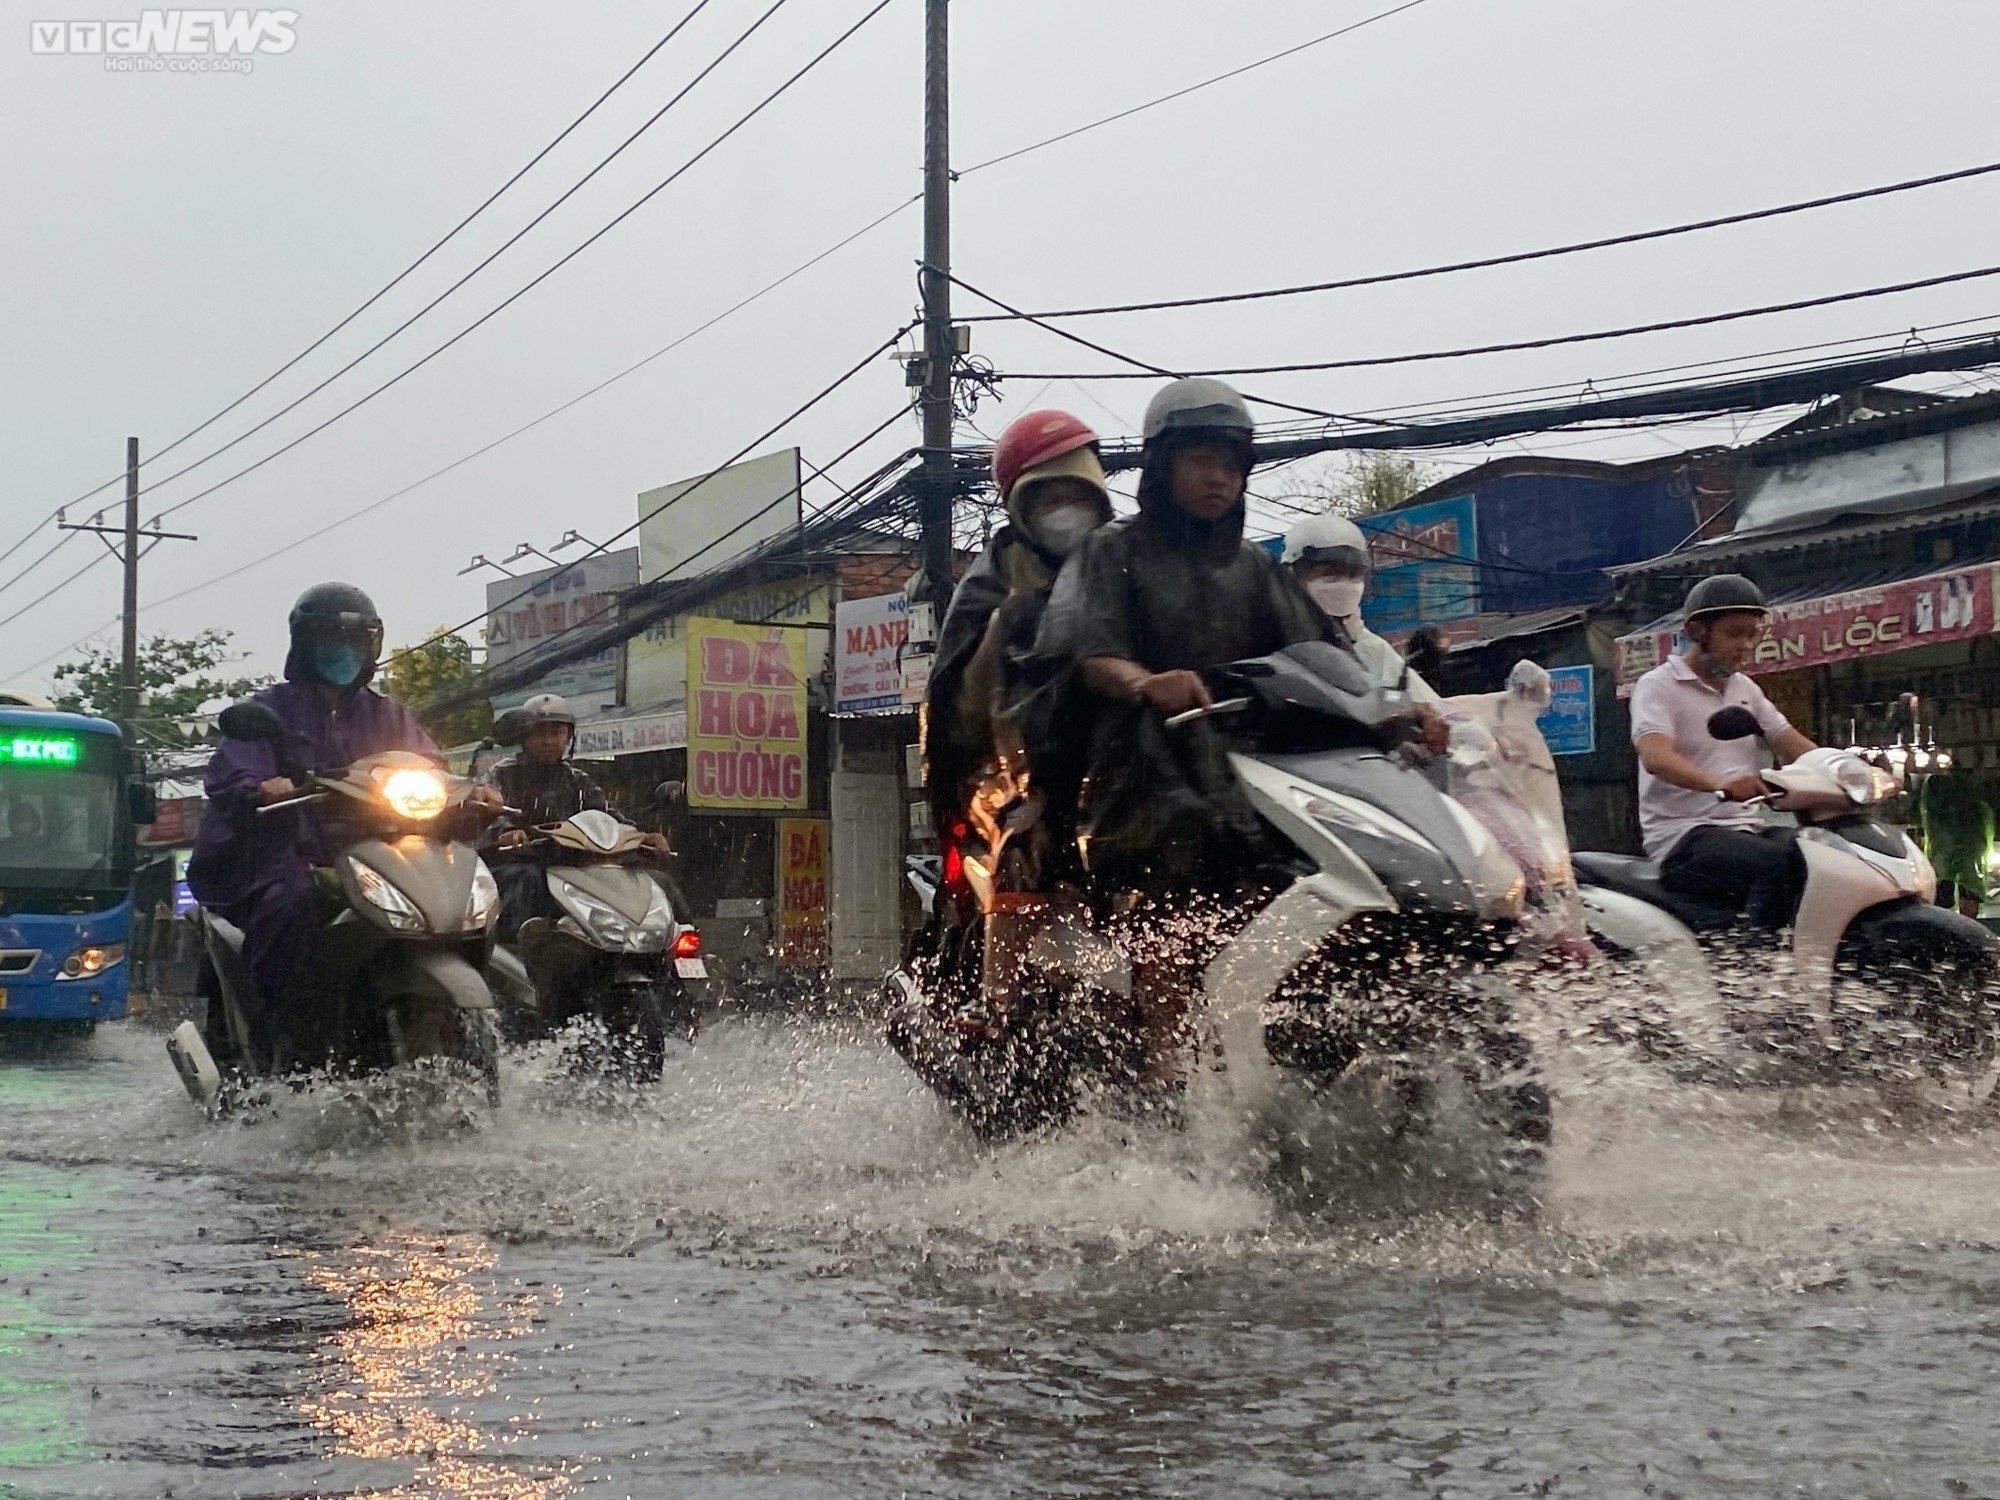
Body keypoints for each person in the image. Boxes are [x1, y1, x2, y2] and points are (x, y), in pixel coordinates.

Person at [1034, 376, 1325, 1081]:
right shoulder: (1110, 551)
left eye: (1231, 464)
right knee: (1171, 935)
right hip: (1143, 780)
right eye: (1201, 461)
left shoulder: (1255, 567)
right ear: (1163, 467)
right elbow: (1087, 651)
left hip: (1248, 785)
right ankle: (1170, 1082)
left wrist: (1406, 712)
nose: (1218, 478)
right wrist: (1145, 682)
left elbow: (1321, 658)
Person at [187, 584, 496, 1044]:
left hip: (381, 852)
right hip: (290, 851)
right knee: (291, 904)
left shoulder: (388, 714)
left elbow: (430, 767)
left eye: (355, 640)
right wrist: (260, 787)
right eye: (333, 639)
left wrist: (469, 793)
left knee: (463, 899)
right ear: (305, 644)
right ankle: (282, 1037)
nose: (345, 651)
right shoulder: (269, 710)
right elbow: (237, 771)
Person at [924, 408, 1113, 865]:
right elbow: (960, 717)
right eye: (1050, 500)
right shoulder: (993, 587)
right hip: (1013, 793)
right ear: (1019, 507)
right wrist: (1003, 632)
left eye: (1077, 497)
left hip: (1122, 780)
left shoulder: (1125, 563)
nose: (1065, 513)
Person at [1628, 573, 1816, 928]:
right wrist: (1722, 784)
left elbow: (1791, 743)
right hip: (1683, 836)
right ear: (1698, 632)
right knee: (1776, 864)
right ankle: (1763, 965)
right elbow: (1656, 757)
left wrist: (1847, 767)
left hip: (1743, 827)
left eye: (1753, 634)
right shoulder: (1657, 686)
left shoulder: (1745, 688)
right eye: (1735, 633)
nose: (1746, 645)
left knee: (1818, 854)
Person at [480, 693, 666, 941]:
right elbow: (485, 811)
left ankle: (682, 954)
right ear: (524, 738)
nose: (548, 741)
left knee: (655, 881)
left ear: (568, 737)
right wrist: (505, 833)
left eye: (556, 733)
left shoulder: (579, 780)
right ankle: (517, 951)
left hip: (578, 869)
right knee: (527, 879)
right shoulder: (502, 774)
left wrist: (642, 837)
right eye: (540, 733)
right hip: (522, 863)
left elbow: (610, 817)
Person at [1280, 512, 1441, 702]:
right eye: (1330, 572)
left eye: (1354, 573)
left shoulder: (1375, 651)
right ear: (1293, 576)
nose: (1345, 584)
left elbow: (1435, 711)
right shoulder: (1275, 645)